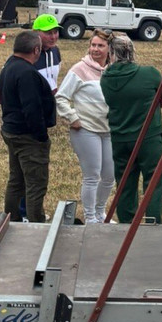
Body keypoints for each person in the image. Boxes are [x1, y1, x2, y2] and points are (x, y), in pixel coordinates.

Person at [102, 35, 162, 224]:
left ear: (111, 53)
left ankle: (126, 223)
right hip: (148, 136)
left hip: (119, 137)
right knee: (153, 179)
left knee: (125, 183)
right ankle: (152, 220)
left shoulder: (105, 78)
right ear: (131, 51)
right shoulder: (149, 73)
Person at [57, 30, 114, 224]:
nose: (95, 49)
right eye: (93, 45)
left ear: (109, 49)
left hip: (109, 131)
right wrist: (73, 118)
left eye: (100, 46)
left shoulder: (114, 69)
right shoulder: (79, 69)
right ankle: (90, 217)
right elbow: (61, 97)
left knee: (109, 176)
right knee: (92, 176)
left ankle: (100, 213)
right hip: (85, 130)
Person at [0, 30, 57, 222]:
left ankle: (11, 220)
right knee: (35, 185)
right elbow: (32, 108)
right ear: (36, 50)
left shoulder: (9, 65)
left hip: (12, 130)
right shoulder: (27, 73)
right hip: (28, 137)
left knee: (16, 181)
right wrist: (41, 135)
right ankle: (36, 225)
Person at [0, 14, 62, 98]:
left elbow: (53, 82)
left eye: (55, 32)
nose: (53, 37)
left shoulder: (55, 51)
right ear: (35, 32)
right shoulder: (25, 55)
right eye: (48, 33)